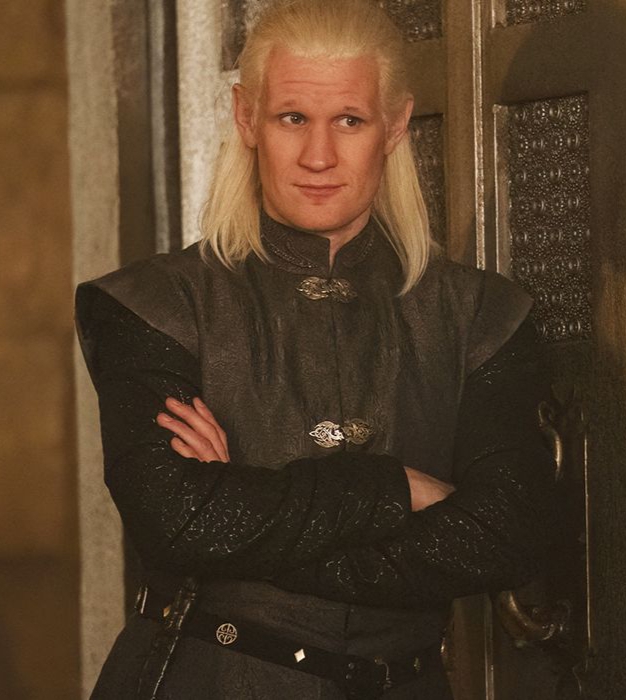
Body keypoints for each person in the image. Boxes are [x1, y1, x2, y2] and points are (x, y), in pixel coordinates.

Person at [75, 0, 557, 697]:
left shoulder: (483, 314)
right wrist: (393, 489)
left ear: (395, 125)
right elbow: (173, 521)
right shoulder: (155, 304)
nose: (319, 156)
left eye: (350, 121)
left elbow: (508, 537)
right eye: (292, 117)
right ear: (247, 118)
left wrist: (238, 522)